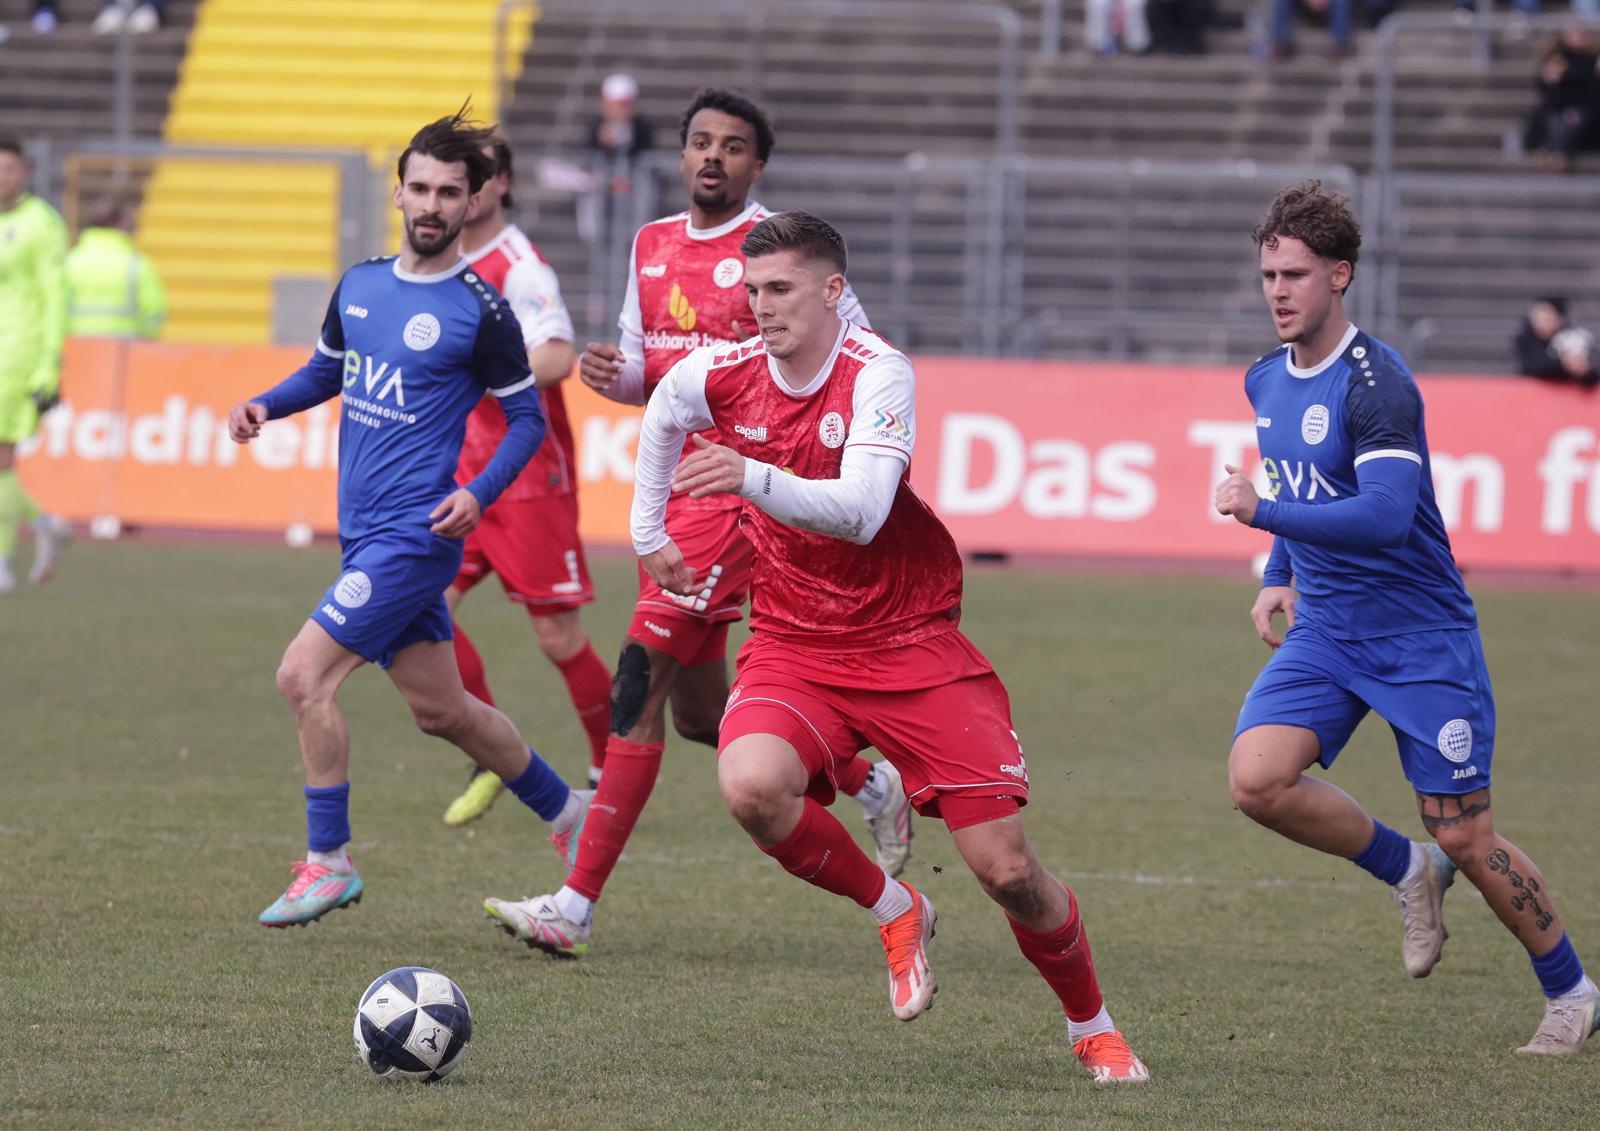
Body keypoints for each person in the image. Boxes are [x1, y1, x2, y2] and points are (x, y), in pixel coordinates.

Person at [613, 210, 1148, 1082]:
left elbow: (862, 512)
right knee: (750, 786)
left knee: (1008, 870)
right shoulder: (727, 372)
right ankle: (897, 907)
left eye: (780, 289)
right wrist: (647, 535)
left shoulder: (878, 372)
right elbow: (664, 410)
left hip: (908, 643)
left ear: (831, 291)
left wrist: (748, 476)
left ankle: (1091, 1022)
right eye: (751, 292)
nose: (760, 308)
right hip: (793, 640)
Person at [483, 89, 911, 959]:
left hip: (744, 496)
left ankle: (575, 905)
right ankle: (871, 782)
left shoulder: (780, 252)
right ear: (680, 156)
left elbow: (848, 349)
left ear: (758, 166)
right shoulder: (650, 243)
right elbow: (657, 369)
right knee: (698, 713)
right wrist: (621, 373)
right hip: (678, 486)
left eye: (733, 146)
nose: (713, 157)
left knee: (637, 685)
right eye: (700, 143)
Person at [1215, 180, 1599, 1055]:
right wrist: (1281, 571)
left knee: (1466, 832)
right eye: (1268, 273)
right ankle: (1404, 865)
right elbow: (1298, 480)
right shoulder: (1266, 377)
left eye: (1297, 274)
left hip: (1420, 638)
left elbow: (1386, 512)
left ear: (1340, 276)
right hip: (1328, 630)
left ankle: (1572, 988)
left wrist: (1260, 518)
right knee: (1256, 779)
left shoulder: (1377, 383)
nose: (1278, 290)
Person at [228, 107, 588, 928]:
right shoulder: (359, 284)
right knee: (443, 712)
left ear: (473, 202)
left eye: (449, 192)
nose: (431, 203)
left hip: (415, 538)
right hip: (363, 531)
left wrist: (479, 493)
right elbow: (326, 371)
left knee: (301, 675)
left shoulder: (483, 311)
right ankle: (571, 815)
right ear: (398, 192)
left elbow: (527, 418)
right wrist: (265, 405)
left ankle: (328, 862)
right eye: (420, 187)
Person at [439, 136, 613, 827]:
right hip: (461, 475)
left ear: (501, 184)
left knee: (559, 639)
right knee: (419, 608)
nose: (462, 188)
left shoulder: (517, 265)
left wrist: (479, 368)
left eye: (474, 177)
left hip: (526, 477)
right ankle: (490, 748)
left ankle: (609, 766)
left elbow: (557, 356)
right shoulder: (441, 262)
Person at [0, 136, 72, 595]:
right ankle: (46, 524)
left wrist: (48, 365)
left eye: (8, 168)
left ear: (25, 174)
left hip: (16, 353)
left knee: (4, 459)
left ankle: (2, 562)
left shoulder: (40, 223)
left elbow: (54, 296)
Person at [65, 195, 168, 339]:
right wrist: (144, 338)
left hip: (78, 350)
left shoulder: (71, 262)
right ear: (120, 223)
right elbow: (154, 314)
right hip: (126, 352)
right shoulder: (136, 265)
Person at [1514, 295, 1600, 388]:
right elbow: (1530, 368)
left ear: (1558, 317)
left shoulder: (1576, 339)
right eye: (1538, 317)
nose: (1541, 321)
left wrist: (1583, 369)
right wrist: (1562, 362)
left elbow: (1593, 373)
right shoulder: (1526, 340)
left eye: (1547, 317)